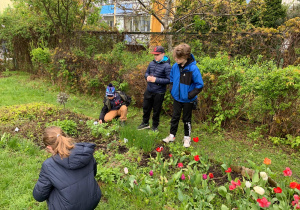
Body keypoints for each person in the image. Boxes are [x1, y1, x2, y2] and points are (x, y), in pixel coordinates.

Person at [33, 126, 101, 210]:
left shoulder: (49, 165)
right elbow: (93, 173)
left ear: (49, 147)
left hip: (69, 207)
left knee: (50, 188)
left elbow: (39, 196)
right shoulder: (85, 152)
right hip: (93, 199)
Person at [162, 43, 204, 147]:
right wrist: (172, 90)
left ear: (185, 57)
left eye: (177, 58)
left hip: (188, 100)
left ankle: (187, 138)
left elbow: (199, 85)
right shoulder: (175, 67)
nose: (175, 59)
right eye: (175, 57)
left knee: (186, 119)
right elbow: (171, 79)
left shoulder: (193, 69)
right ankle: (172, 136)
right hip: (177, 98)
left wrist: (189, 95)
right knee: (175, 117)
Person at [137, 46, 171, 131]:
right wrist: (147, 77)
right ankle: (145, 123)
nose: (155, 56)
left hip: (159, 92)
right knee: (146, 107)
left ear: (163, 54)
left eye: (157, 54)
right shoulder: (151, 63)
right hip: (149, 90)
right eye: (154, 54)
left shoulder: (167, 66)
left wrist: (156, 80)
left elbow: (169, 80)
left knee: (156, 110)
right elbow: (146, 73)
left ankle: (155, 127)